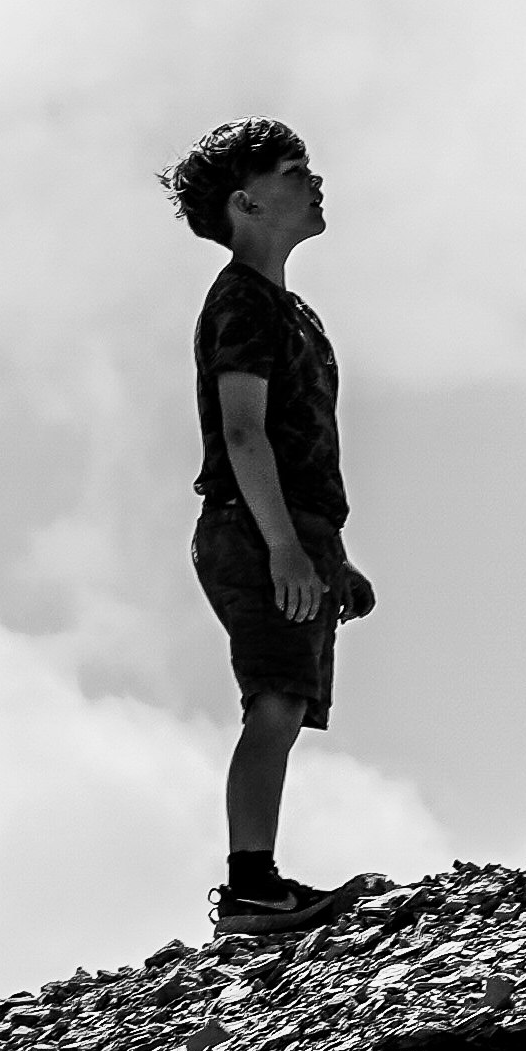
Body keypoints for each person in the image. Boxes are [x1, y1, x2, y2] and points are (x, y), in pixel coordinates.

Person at [159, 118, 383, 939]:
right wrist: (286, 546)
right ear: (248, 202)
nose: (314, 179)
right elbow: (244, 432)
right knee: (275, 702)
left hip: (292, 529)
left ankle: (259, 879)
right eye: (295, 169)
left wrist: (332, 554)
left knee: (284, 701)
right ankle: (250, 886)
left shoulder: (291, 310)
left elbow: (296, 445)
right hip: (254, 528)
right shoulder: (243, 301)